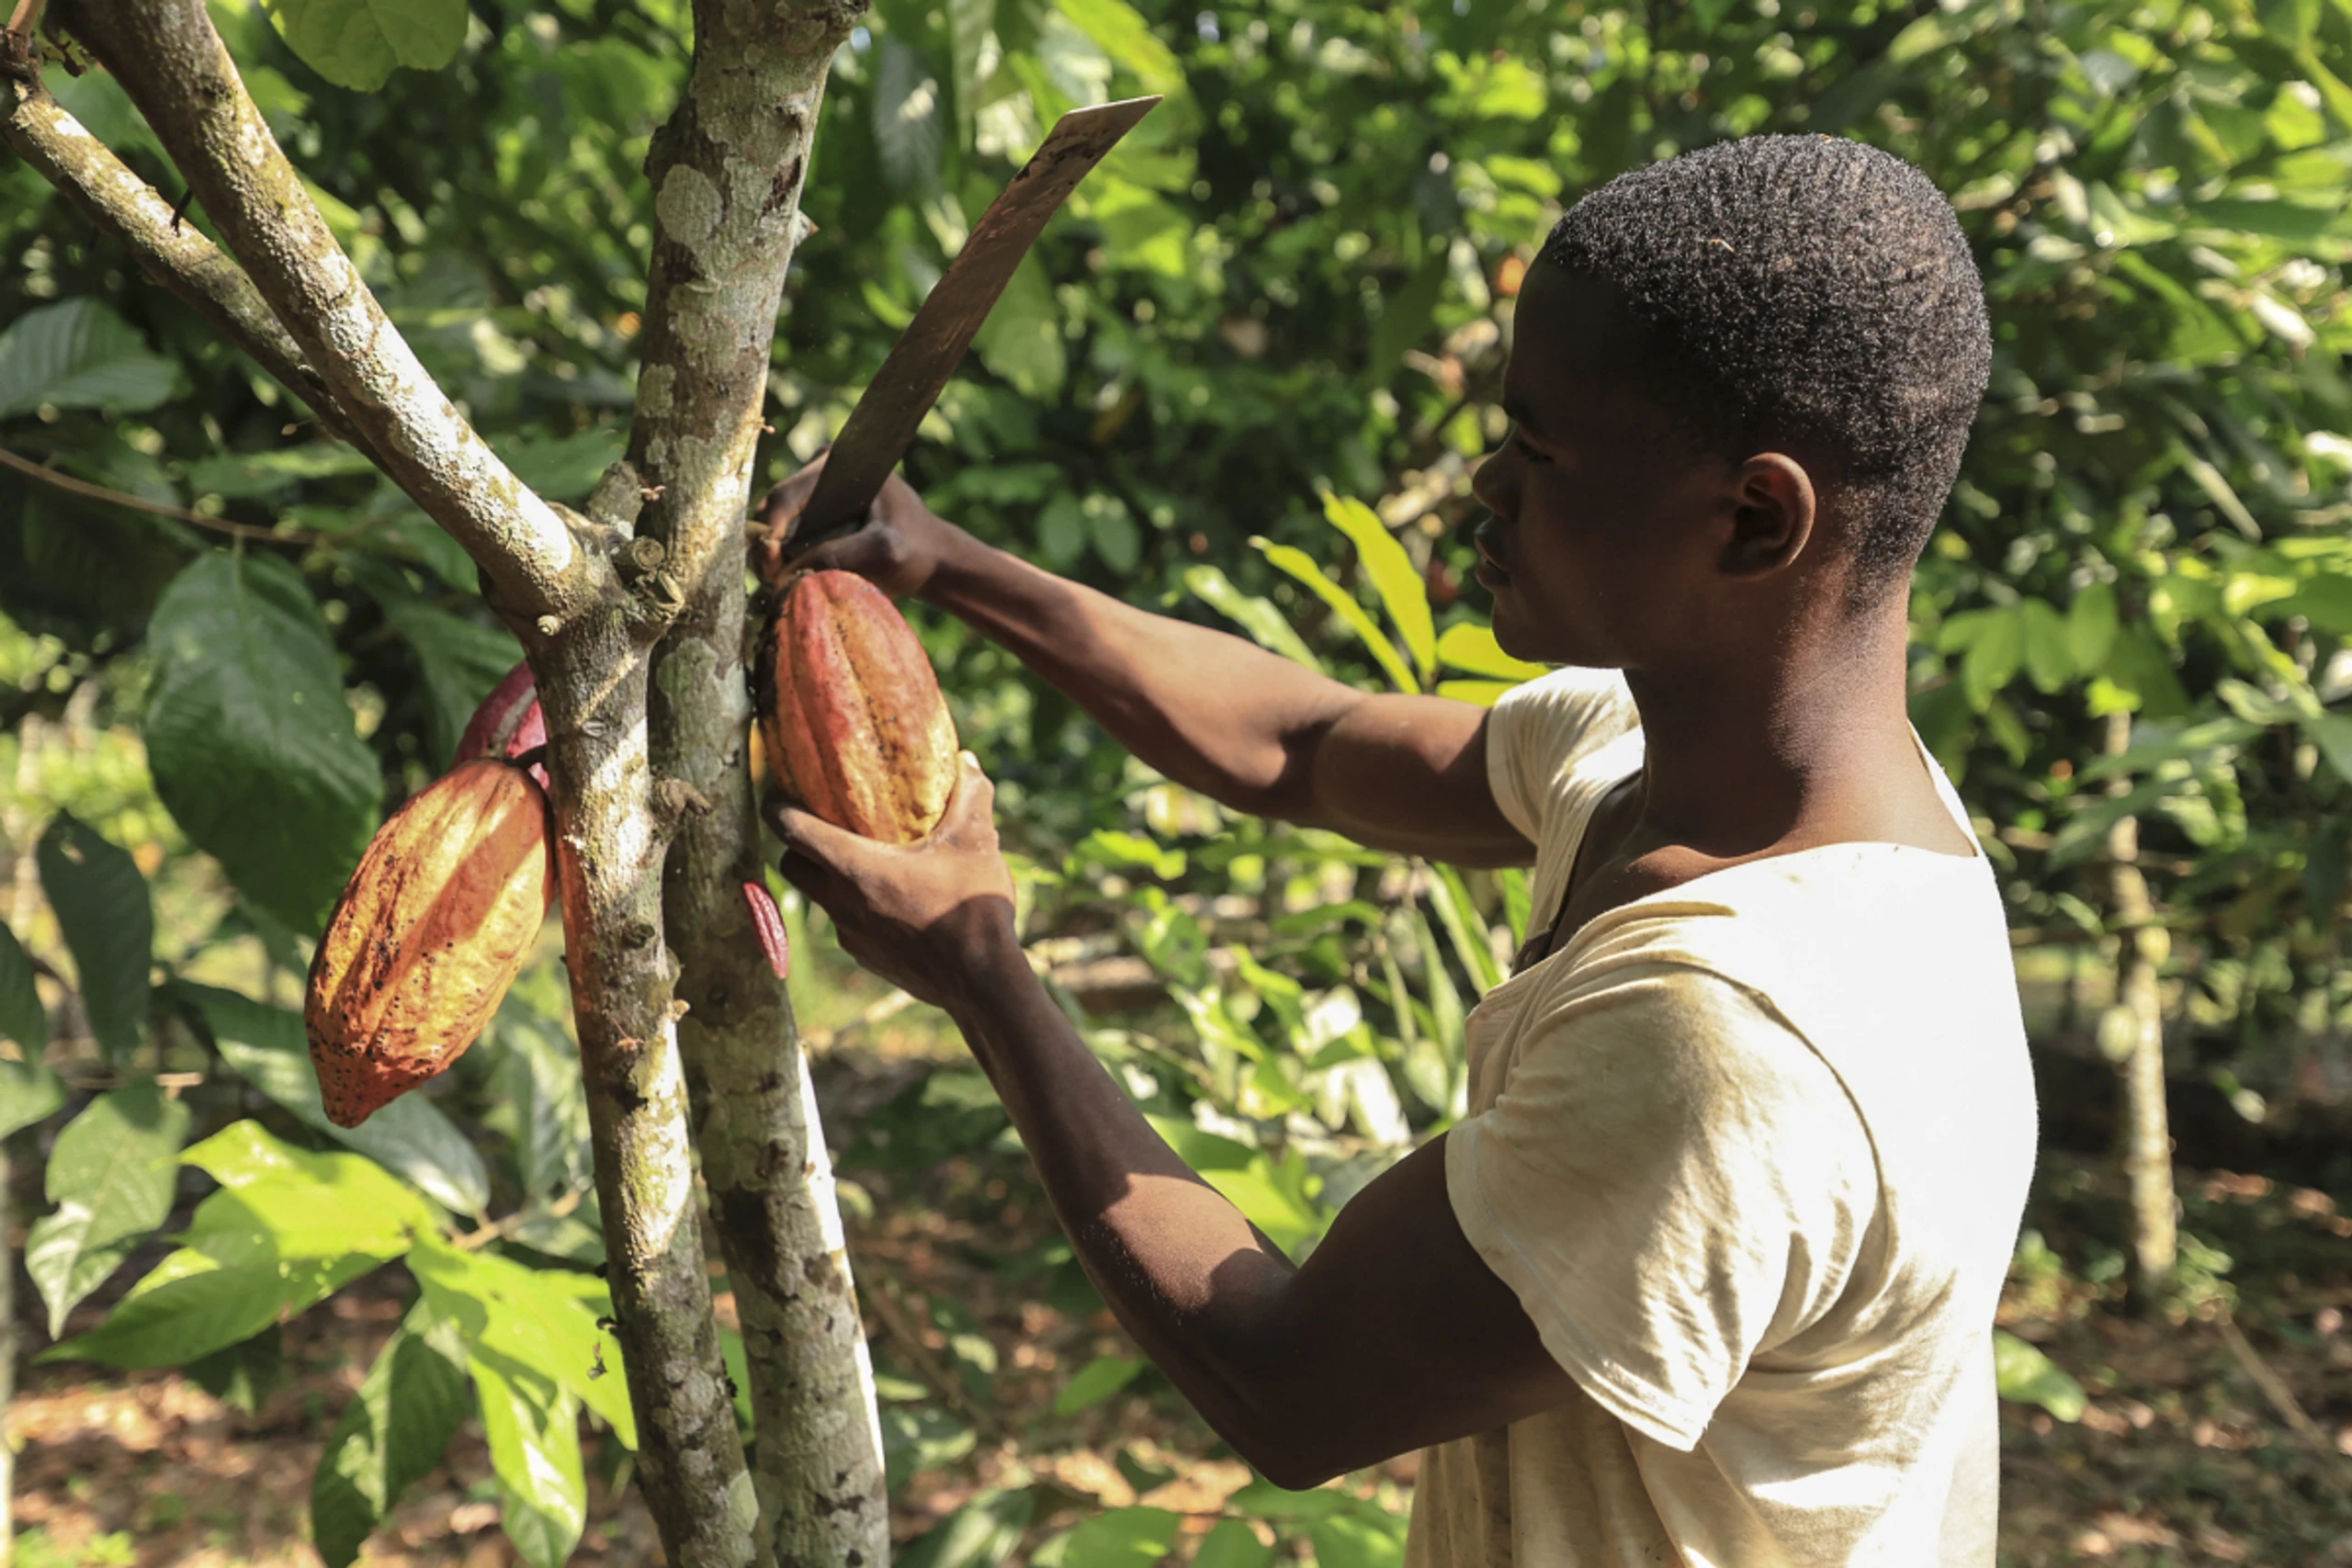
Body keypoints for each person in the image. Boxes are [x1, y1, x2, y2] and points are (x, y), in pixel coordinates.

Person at [756, 133, 2039, 1567]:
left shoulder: (1733, 1038)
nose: (1485, 484)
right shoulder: (1674, 765)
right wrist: (951, 562)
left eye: (1539, 452)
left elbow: (1291, 1384)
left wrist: (982, 970)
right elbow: (1301, 743)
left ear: (1754, 518)